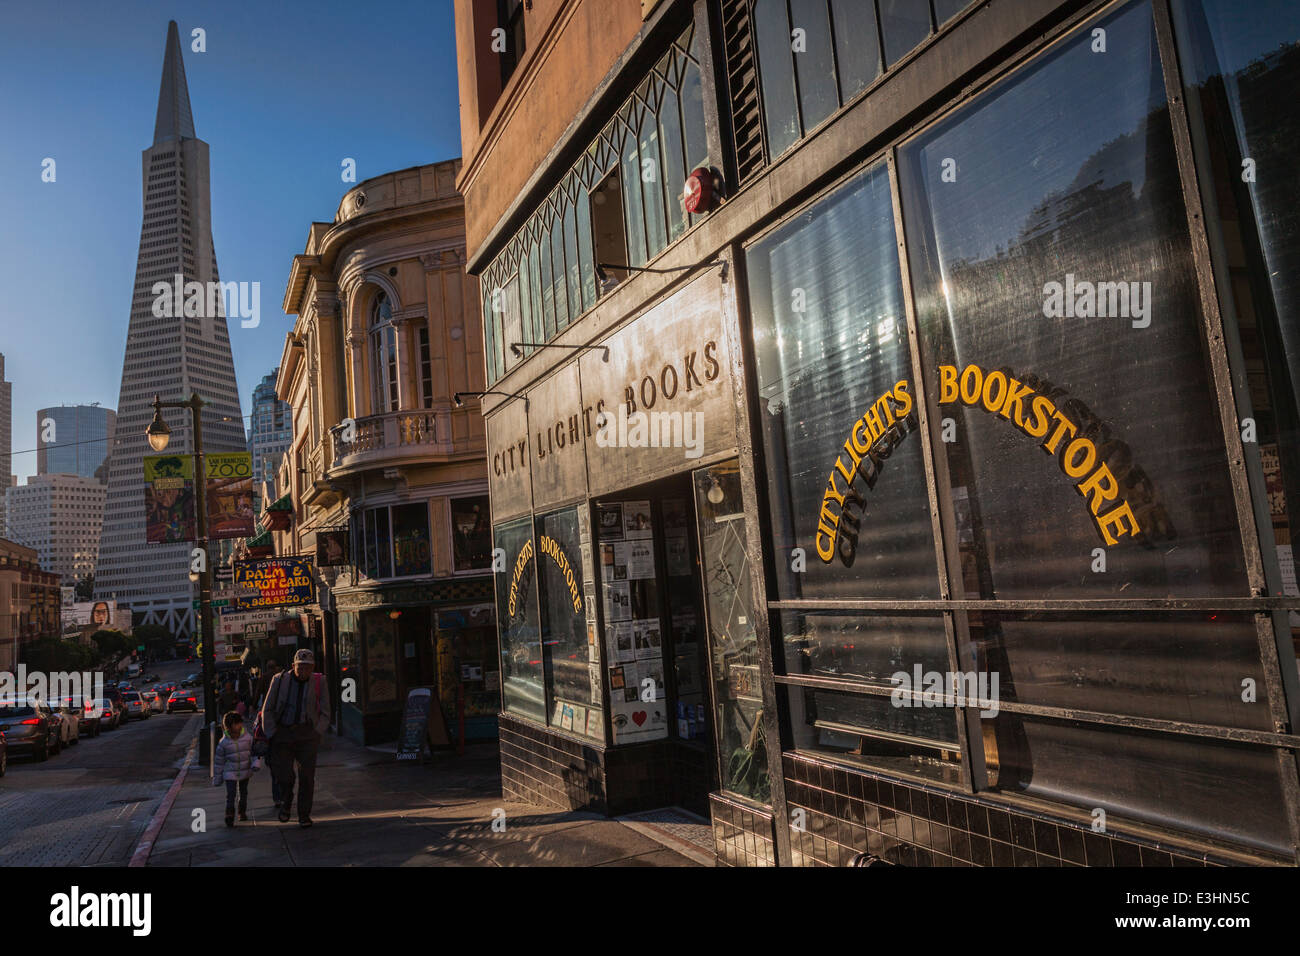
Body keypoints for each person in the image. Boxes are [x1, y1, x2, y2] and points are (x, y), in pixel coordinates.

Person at [259, 648, 330, 828]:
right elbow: (267, 709)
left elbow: (326, 711)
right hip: (283, 733)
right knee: (284, 775)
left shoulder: (319, 681)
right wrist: (271, 733)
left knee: (307, 777)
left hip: (307, 734)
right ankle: (286, 800)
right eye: (300, 667)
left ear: (313, 667)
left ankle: (304, 815)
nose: (303, 671)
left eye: (307, 668)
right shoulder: (280, 680)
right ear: (293, 666)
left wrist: (317, 732)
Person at [212, 711, 256, 827]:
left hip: (245, 769)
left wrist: (256, 764)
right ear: (229, 726)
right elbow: (219, 762)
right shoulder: (224, 743)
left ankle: (242, 812)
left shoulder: (248, 738)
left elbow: (254, 752)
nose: (239, 726)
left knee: (243, 792)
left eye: (240, 723)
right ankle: (229, 815)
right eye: (237, 724)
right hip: (229, 772)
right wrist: (217, 778)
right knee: (231, 794)